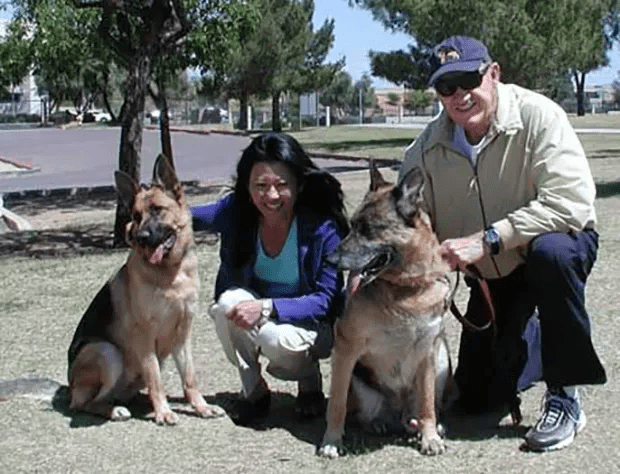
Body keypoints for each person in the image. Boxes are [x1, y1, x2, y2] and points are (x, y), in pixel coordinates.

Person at [399, 36, 606, 452]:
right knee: (476, 399)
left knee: (553, 255)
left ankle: (565, 397)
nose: (459, 95)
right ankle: (528, 336)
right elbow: (405, 217)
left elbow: (569, 204)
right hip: (492, 277)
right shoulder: (426, 147)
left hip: (548, 251)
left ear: (492, 74)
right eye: (446, 87)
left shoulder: (539, 116)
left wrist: (490, 238)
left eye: (467, 80)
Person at [191, 132, 349, 426]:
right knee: (228, 305)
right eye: (260, 186)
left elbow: (325, 301)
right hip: (263, 317)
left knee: (274, 339)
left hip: (311, 326)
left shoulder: (322, 227)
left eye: (282, 185)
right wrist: (149, 214)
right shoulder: (236, 211)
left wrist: (264, 308)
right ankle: (254, 392)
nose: (271, 196)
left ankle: (310, 382)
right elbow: (187, 217)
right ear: (247, 187)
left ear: (300, 185)